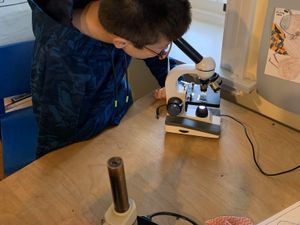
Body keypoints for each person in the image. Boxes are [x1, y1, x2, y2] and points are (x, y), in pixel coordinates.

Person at [28, 0, 192, 158]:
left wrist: (171, 83)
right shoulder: (63, 63)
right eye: (161, 49)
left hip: (120, 114)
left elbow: (152, 42)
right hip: (82, 143)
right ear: (120, 43)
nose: (164, 52)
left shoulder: (124, 16)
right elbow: (54, 146)